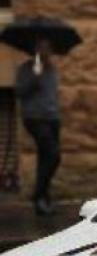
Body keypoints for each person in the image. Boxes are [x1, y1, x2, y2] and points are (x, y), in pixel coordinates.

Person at [15, 39, 61, 215]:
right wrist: (34, 77)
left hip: (52, 118)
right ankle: (38, 194)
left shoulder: (52, 69)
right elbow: (19, 92)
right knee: (53, 155)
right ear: (35, 50)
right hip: (34, 118)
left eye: (48, 48)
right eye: (42, 47)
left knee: (45, 158)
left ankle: (43, 200)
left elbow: (52, 94)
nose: (46, 51)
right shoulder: (26, 69)